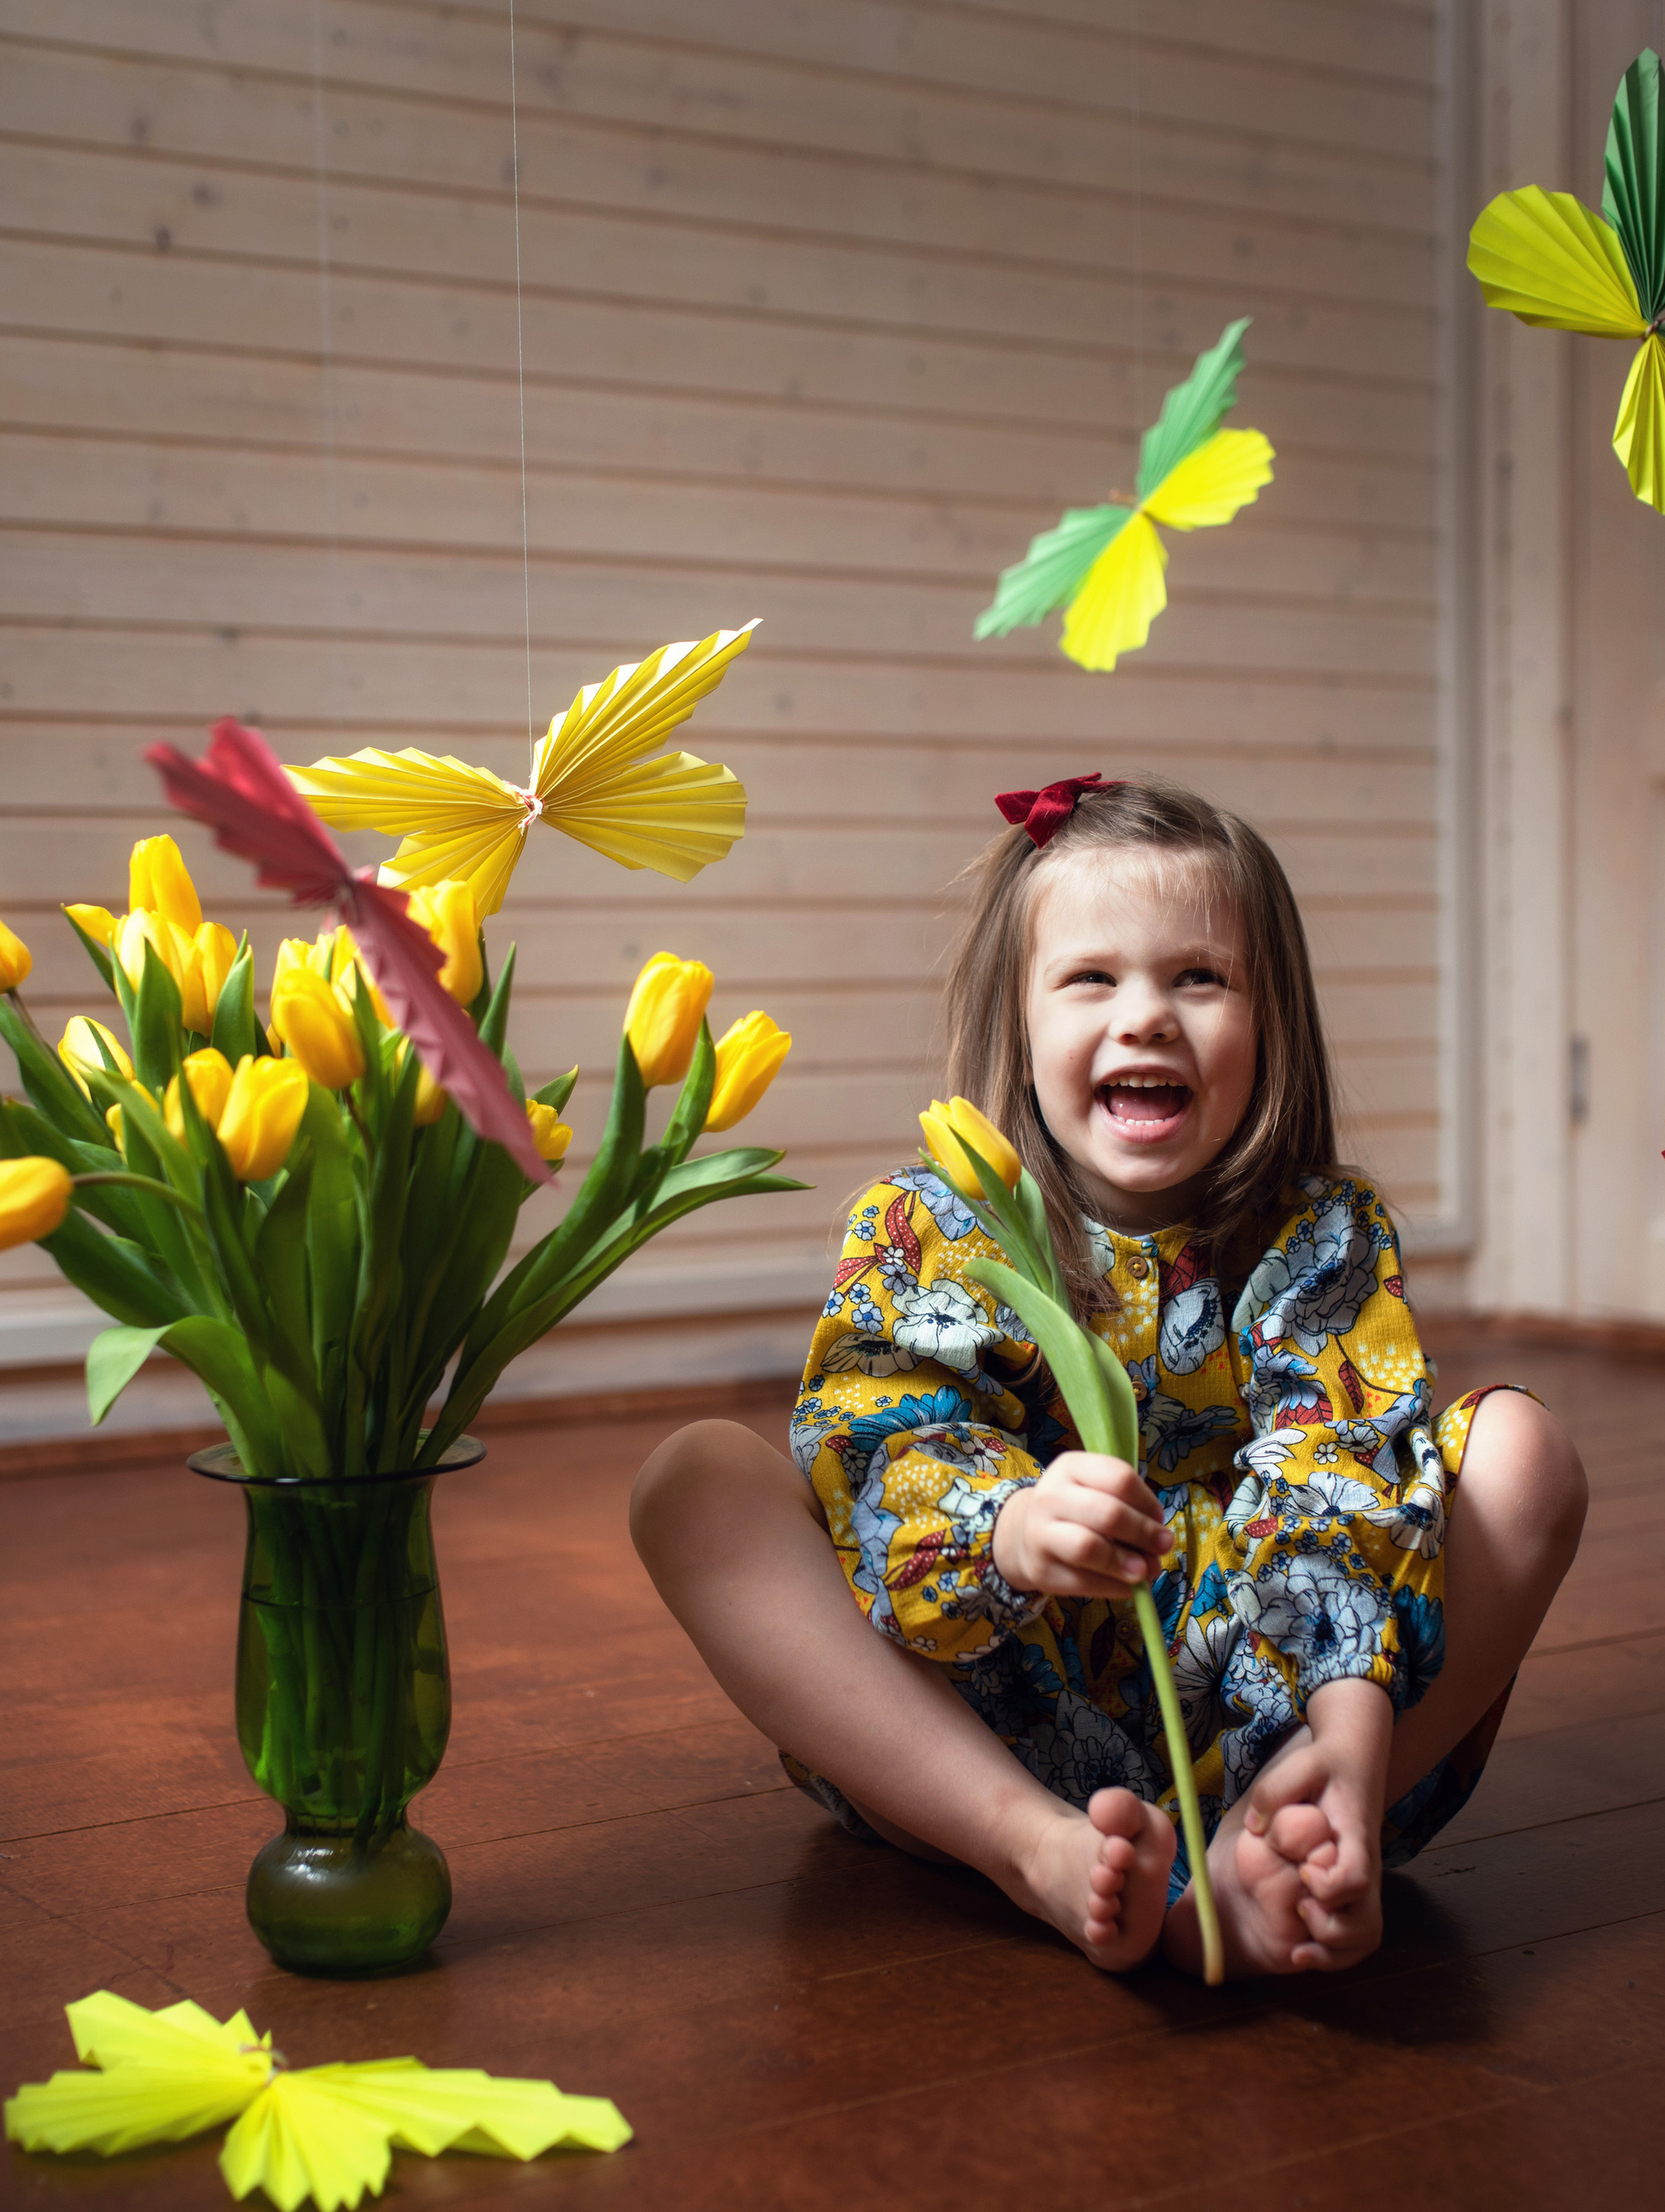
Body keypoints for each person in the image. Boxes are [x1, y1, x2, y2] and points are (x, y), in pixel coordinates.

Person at [631, 777, 1587, 1979]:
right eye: (1093, 979)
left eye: (1200, 978)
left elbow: (1338, 1474)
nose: (1147, 1017)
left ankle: (1276, 1844)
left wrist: (1343, 1743)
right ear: (1019, 1023)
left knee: (1526, 1456)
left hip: (1266, 1725)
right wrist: (1010, 1526)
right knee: (693, 1479)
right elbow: (877, 1446)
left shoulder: (1321, 1233)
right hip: (988, 1715)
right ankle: (1031, 1849)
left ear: (1271, 1024)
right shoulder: (931, 1229)